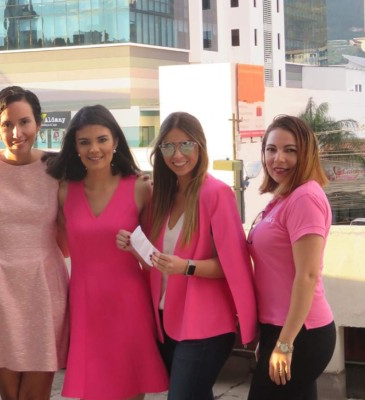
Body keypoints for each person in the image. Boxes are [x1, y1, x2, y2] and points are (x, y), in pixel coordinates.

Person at [118, 111, 258, 400]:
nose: (177, 154)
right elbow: (157, 262)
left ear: (200, 146)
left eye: (185, 145)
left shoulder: (217, 194)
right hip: (166, 320)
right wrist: (135, 247)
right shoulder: (161, 197)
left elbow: (233, 265)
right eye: (168, 146)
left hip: (205, 326)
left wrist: (188, 267)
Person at [46, 104, 169, 400]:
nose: (94, 149)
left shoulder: (141, 187)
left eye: (101, 139)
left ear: (115, 140)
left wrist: (135, 248)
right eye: (84, 142)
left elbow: (157, 255)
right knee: (93, 390)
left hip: (129, 303)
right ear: (74, 146)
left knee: (129, 387)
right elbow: (60, 244)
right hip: (85, 305)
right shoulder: (63, 191)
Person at [0, 86, 69, 400]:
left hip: (45, 288)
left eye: (24, 122)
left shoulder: (57, 168)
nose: (16, 132)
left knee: (34, 396)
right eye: (7, 124)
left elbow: (88, 210)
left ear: (38, 122)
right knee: (12, 398)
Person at [247, 115, 336, 400]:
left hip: (302, 333)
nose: (278, 158)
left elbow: (307, 275)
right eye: (271, 149)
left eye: (290, 150)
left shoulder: (304, 198)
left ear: (306, 154)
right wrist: (270, 335)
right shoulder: (283, 198)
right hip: (281, 327)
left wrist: (285, 343)